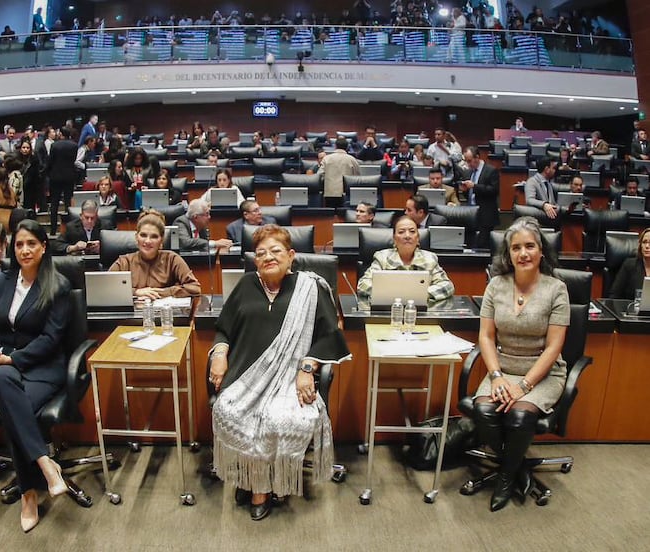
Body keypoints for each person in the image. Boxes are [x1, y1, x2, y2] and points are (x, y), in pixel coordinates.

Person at [210, 225, 351, 521]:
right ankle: (250, 476)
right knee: (228, 409)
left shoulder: (309, 288)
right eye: (261, 253)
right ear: (254, 260)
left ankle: (260, 486)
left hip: (291, 378)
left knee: (279, 417)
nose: (268, 257)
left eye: (275, 251)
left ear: (291, 256)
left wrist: (307, 368)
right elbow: (224, 329)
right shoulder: (246, 285)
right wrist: (220, 355)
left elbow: (329, 335)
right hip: (246, 376)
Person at [0, 219, 71, 532]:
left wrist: (13, 358)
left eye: (31, 243)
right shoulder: (3, 281)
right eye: (19, 244)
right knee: (1, 380)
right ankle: (46, 466)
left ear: (44, 247)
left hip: (43, 367)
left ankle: (28, 493)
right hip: (5, 369)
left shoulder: (57, 286)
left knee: (15, 412)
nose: (25, 250)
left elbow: (51, 339)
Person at [472, 216, 570, 512]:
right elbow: (486, 338)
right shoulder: (496, 286)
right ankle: (515, 465)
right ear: (508, 253)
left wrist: (524, 385)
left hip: (542, 373)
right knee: (483, 410)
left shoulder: (557, 289)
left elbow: (554, 347)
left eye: (530, 246)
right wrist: (497, 376)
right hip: (502, 369)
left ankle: (505, 476)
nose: (523, 253)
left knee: (519, 418)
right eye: (516, 248)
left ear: (541, 251)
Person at [357, 215, 455, 304]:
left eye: (412, 231)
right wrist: (396, 295)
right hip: (388, 312)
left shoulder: (429, 259)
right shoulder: (383, 257)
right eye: (401, 232)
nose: (407, 236)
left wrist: (422, 294)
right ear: (394, 239)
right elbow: (363, 284)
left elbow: (447, 286)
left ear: (417, 238)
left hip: (420, 313)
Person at [109, 210, 201, 299]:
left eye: (154, 236)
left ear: (161, 240)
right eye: (143, 235)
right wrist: (135, 292)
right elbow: (105, 288)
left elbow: (195, 288)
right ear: (136, 237)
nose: (148, 241)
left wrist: (164, 292)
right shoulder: (124, 262)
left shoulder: (172, 259)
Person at [462, 146, 500, 249]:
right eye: (466, 161)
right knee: (469, 245)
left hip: (485, 215)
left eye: (469, 161)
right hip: (470, 214)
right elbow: (469, 195)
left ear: (477, 157)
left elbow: (494, 191)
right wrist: (465, 190)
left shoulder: (491, 170)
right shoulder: (467, 172)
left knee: (482, 246)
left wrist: (474, 186)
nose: (468, 164)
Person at [47, 127, 78, 234]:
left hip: (55, 177)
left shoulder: (54, 145)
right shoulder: (74, 145)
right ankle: (70, 228)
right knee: (68, 203)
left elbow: (50, 161)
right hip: (69, 176)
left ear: (61, 134)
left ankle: (53, 230)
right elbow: (73, 160)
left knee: (54, 204)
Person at [318, 136, 359, 208]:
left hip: (330, 193)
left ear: (335, 146)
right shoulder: (352, 159)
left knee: (331, 217)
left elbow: (319, 175)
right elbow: (357, 178)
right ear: (347, 147)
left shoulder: (326, 158)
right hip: (346, 194)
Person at [610, 228, 650, 300]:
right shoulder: (629, 265)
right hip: (630, 309)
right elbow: (615, 295)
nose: (647, 246)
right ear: (640, 245)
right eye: (644, 242)